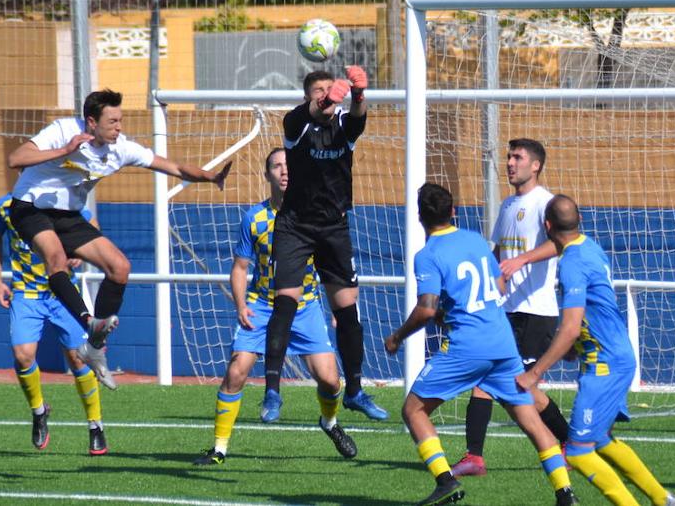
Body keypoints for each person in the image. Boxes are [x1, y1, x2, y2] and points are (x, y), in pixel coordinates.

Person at [6, 89, 229, 386]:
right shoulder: (63, 130)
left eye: (120, 120)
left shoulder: (120, 149)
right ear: (91, 122)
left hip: (68, 215)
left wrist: (210, 177)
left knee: (119, 267)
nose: (119, 127)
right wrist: (65, 150)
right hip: (30, 206)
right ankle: (89, 322)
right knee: (56, 259)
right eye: (112, 121)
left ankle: (94, 347)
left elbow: (172, 167)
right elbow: (16, 158)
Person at [384, 183, 577, 506]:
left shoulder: (428, 255)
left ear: (419, 217)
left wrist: (397, 337)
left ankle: (445, 481)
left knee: (414, 409)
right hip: (501, 341)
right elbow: (499, 285)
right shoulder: (474, 240)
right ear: (453, 213)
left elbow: (427, 309)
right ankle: (565, 493)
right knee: (530, 420)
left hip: (467, 345)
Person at [191, 148, 357, 465]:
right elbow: (240, 268)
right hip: (262, 305)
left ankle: (330, 423)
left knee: (330, 380)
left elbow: (336, 267)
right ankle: (219, 449)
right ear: (266, 175)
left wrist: (341, 311)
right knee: (237, 371)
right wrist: (241, 305)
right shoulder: (254, 218)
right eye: (276, 166)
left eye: (289, 165)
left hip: (305, 306)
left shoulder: (316, 215)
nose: (284, 171)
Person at [519, 195, 675, 506]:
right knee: (602, 440)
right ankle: (664, 500)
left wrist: (535, 373)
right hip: (613, 356)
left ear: (547, 226)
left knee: (578, 451)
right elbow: (583, 317)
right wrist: (575, 346)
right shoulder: (589, 246)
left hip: (604, 366)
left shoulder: (571, 263)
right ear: (578, 220)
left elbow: (568, 327)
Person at [260, 68, 387, 422]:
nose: (326, 96)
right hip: (295, 226)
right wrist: (326, 100)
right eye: (319, 91)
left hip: (334, 227)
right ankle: (272, 392)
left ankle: (356, 391)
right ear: (308, 97)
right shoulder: (295, 123)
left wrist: (359, 94)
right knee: (285, 303)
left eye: (331, 90)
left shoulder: (345, 123)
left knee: (348, 311)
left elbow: (357, 119)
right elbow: (310, 114)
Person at [452, 138, 569, 477]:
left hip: (536, 311)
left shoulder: (546, 203)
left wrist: (522, 259)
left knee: (524, 387)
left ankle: (569, 442)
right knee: (486, 377)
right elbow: (498, 256)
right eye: (508, 157)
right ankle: (474, 456)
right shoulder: (506, 206)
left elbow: (560, 242)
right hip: (505, 311)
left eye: (518, 157)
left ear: (536, 165)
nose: (510, 163)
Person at [0, 195, 108, 455]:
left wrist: (79, 251)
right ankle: (39, 411)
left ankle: (95, 426)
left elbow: (93, 226)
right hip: (26, 294)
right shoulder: (5, 207)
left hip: (62, 293)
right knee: (23, 356)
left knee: (79, 359)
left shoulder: (63, 202)